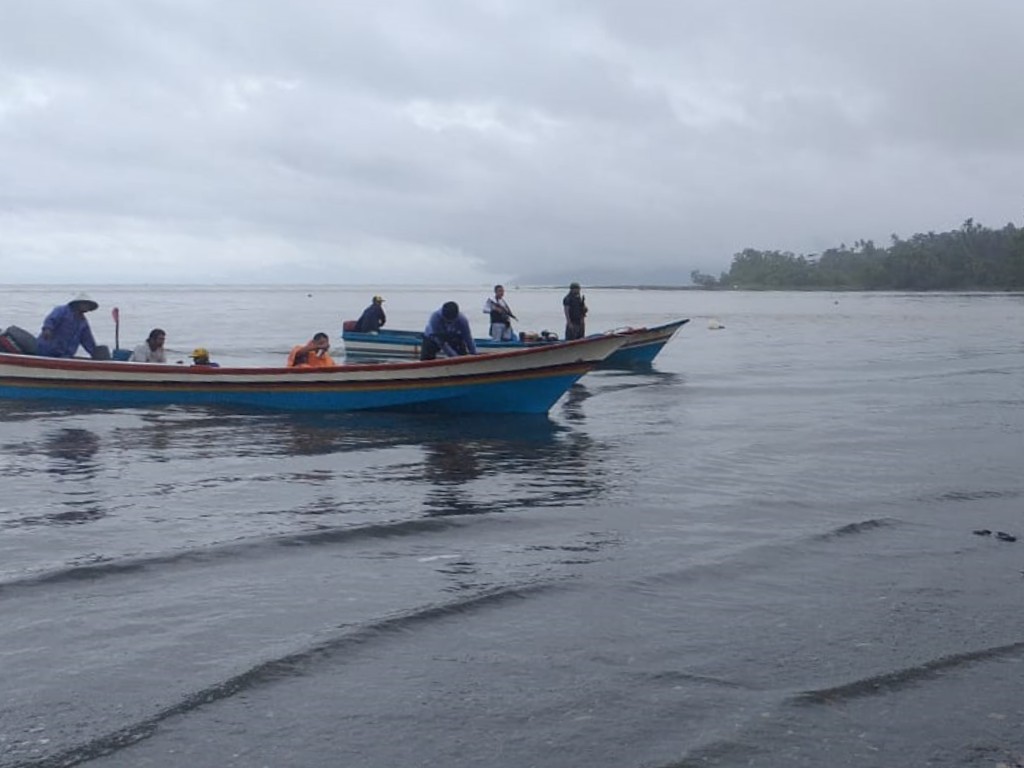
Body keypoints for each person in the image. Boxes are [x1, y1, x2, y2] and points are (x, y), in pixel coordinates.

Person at [36, 293, 101, 358]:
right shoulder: (62, 310)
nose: (87, 307)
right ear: (78, 304)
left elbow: (87, 340)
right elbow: (51, 319)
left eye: (89, 305)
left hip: (65, 355)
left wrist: (95, 354)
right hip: (47, 350)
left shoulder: (83, 322)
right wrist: (48, 329)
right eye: (85, 304)